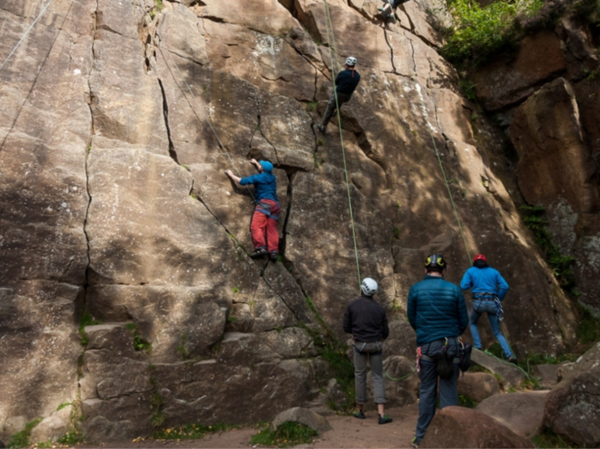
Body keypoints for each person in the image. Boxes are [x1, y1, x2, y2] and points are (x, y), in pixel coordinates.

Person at [407, 254, 468, 448]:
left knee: (426, 391)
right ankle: (450, 439)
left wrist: (425, 333)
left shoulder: (415, 289)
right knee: (449, 390)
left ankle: (422, 437)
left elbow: (412, 318)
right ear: (443, 271)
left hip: (427, 346)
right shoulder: (454, 290)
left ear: (426, 270)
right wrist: (452, 333)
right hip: (451, 345)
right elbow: (463, 321)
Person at [343, 277, 393, 425]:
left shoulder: (352, 306)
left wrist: (356, 334)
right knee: (378, 376)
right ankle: (381, 414)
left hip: (360, 345)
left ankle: (360, 411)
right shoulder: (379, 308)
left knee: (360, 375)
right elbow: (385, 331)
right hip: (376, 345)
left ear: (362, 289)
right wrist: (379, 339)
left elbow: (346, 327)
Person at [460, 254, 517, 364]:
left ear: (475, 262)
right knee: (497, 332)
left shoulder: (471, 271)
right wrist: (498, 299)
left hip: (478, 302)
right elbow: (505, 286)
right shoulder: (494, 272)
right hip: (492, 302)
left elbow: (464, 286)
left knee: (472, 322)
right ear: (485, 262)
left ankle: (478, 347)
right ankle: (510, 356)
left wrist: (472, 282)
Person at [225, 159, 280, 260]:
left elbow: (241, 181)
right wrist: (255, 163)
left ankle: (261, 248)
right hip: (275, 206)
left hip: (265, 203)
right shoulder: (273, 177)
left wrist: (231, 174)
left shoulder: (258, 177)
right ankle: (273, 252)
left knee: (256, 226)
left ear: (262, 169)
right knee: (272, 228)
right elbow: (263, 169)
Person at [317, 57, 361, 133]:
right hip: (348, 97)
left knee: (329, 107)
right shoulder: (357, 76)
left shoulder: (343, 73)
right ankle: (336, 109)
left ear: (347, 64)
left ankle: (323, 126)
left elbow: (336, 82)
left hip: (339, 95)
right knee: (340, 101)